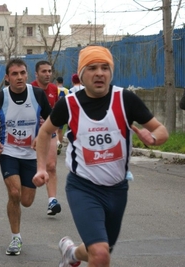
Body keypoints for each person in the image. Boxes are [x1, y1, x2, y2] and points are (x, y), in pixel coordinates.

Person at [32, 45, 169, 267]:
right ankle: (77, 253)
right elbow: (45, 132)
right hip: (83, 187)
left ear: (110, 73)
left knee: (100, 250)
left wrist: (152, 139)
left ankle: (72, 254)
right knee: (101, 253)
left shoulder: (125, 99)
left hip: (117, 189)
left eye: (105, 68)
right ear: (82, 75)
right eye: (92, 68)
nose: (99, 73)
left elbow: (161, 131)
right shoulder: (69, 104)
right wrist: (40, 168)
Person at [0, 58, 51, 256]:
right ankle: (16, 237)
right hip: (9, 152)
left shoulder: (38, 94)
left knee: (27, 201)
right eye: (14, 74)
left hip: (31, 154)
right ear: (7, 77)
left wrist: (41, 136)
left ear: (27, 75)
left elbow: (52, 120)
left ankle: (17, 226)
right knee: (14, 194)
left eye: (22, 73)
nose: (19, 77)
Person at [30, 60, 61, 216]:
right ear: (36, 73)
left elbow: (55, 113)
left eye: (49, 71)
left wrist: (58, 134)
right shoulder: (30, 89)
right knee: (29, 166)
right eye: (44, 71)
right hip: (31, 133)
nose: (48, 74)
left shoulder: (54, 89)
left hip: (49, 132)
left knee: (51, 165)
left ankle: (52, 200)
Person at [56, 76, 69, 155]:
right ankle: (58, 146)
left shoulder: (54, 89)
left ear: (57, 82)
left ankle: (56, 144)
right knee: (60, 131)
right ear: (63, 82)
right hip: (65, 113)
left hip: (56, 113)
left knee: (54, 131)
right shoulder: (67, 91)